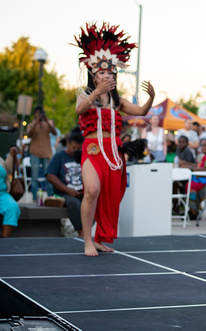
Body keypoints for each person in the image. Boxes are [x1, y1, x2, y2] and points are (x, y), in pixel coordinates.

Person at [74, 22, 155, 256]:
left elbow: (140, 112)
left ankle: (100, 238)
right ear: (93, 74)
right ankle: (87, 240)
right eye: (102, 72)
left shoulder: (117, 101)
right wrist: (97, 92)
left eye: (110, 72)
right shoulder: (86, 95)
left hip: (113, 154)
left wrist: (151, 98)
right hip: (92, 151)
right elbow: (79, 111)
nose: (107, 75)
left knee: (110, 197)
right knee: (91, 190)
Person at [46, 128, 84, 236]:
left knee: (95, 201)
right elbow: (50, 176)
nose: (76, 150)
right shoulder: (59, 157)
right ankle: (82, 232)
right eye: (73, 147)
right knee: (74, 203)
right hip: (63, 193)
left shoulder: (83, 157)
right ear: (67, 143)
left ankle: (87, 229)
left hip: (81, 192)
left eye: (79, 148)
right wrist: (68, 190)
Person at [27, 105, 56, 201]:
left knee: (48, 176)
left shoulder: (46, 124)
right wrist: (36, 122)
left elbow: (55, 132)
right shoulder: (32, 125)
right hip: (34, 153)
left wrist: (47, 120)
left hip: (46, 154)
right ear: (35, 114)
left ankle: (50, 196)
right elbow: (29, 135)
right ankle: (35, 197)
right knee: (34, 177)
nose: (39, 115)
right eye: (38, 113)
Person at [0, 155, 21, 238]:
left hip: (2, 194)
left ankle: (4, 238)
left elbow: (8, 170)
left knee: (13, 207)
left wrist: (11, 156)